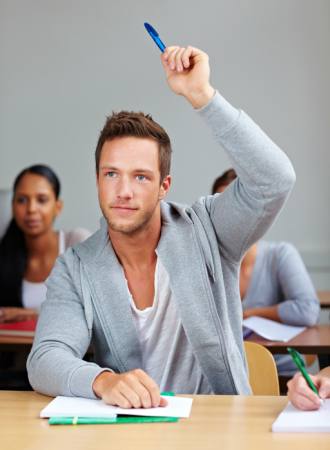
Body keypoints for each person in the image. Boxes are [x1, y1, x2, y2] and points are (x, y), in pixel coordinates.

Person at [27, 45, 296, 408]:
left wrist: (202, 96)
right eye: (111, 174)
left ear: (163, 186)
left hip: (217, 427)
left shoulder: (210, 231)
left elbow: (275, 180)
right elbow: (45, 358)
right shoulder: (76, 267)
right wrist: (103, 381)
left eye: (140, 176)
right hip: (129, 431)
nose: (123, 191)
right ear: (97, 180)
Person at [212, 169, 320, 375]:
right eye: (221, 208)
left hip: (280, 375)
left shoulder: (280, 255)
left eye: (239, 208)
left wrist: (252, 313)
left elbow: (308, 310)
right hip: (225, 377)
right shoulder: (208, 260)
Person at [0, 164, 91, 321]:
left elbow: (97, 305)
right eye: (22, 200)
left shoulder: (77, 242)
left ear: (57, 207)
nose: (31, 209)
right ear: (13, 206)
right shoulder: (5, 255)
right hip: (16, 345)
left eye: (41, 200)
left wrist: (32, 314)